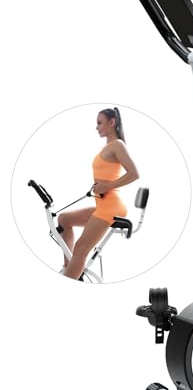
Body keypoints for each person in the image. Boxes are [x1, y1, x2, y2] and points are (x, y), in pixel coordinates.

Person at [58, 107, 139, 280]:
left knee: (81, 249)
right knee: (64, 220)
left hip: (112, 207)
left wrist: (108, 186)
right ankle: (70, 269)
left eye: (100, 123)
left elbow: (134, 174)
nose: (96, 127)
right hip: (102, 205)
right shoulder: (108, 147)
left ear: (112, 122)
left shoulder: (118, 145)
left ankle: (70, 278)